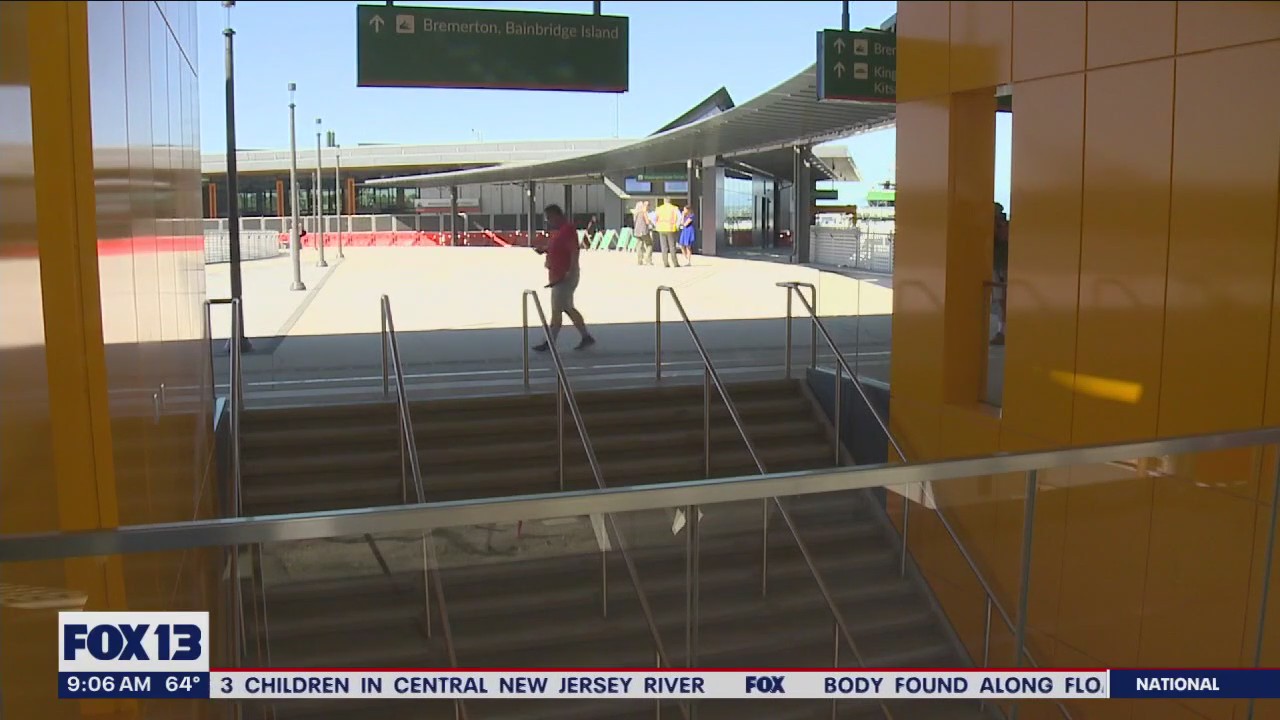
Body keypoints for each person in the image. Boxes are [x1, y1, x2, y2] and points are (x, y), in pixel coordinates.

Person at [532, 204, 595, 352]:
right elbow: (558, 248)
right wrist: (546, 250)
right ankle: (586, 337)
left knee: (557, 309)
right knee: (567, 307)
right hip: (558, 275)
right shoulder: (560, 232)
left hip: (564, 276)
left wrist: (571, 270)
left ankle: (549, 341)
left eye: (549, 218)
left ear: (556, 216)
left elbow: (574, 251)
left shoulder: (567, 230)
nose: (548, 221)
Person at [991, 202, 1009, 346]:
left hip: (1003, 267)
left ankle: (1002, 331)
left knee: (1003, 301)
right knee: (1000, 301)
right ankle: (1001, 331)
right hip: (998, 267)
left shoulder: (1003, 228)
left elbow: (1002, 238)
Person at [655, 198, 682, 268]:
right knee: (672, 247)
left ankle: (666, 263)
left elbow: (655, 218)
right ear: (670, 201)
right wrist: (677, 226)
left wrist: (656, 225)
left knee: (664, 247)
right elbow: (679, 218)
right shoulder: (674, 208)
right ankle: (675, 263)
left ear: (664, 201)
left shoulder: (659, 209)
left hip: (661, 229)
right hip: (671, 229)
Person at [632, 200, 654, 266]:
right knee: (649, 244)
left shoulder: (636, 213)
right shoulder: (643, 212)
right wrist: (651, 223)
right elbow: (647, 222)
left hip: (637, 231)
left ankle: (639, 260)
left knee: (639, 246)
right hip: (644, 231)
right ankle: (648, 260)